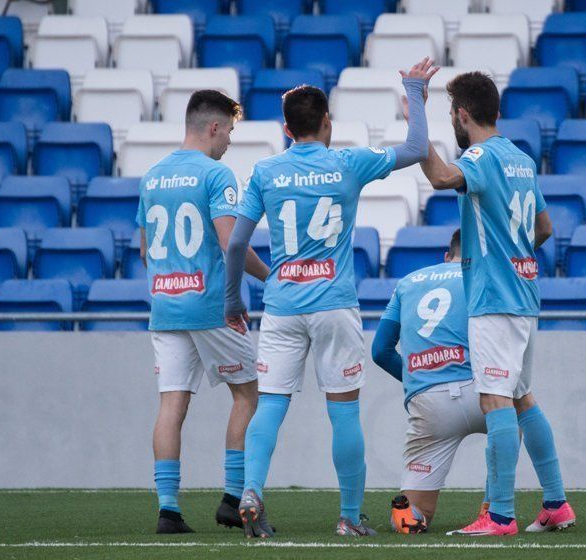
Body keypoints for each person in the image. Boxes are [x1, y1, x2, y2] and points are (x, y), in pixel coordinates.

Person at [223, 57, 439, 538]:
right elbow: (418, 147)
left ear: (285, 129)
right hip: (334, 305)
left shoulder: (265, 171)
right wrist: (414, 91)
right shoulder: (348, 162)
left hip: (281, 307)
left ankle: (252, 490)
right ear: (327, 124)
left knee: (271, 406)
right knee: (343, 410)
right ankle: (348, 516)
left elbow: (236, 244)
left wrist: (233, 301)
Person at [418, 71, 575, 536]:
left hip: (495, 300)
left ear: (462, 115)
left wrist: (416, 121)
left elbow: (442, 176)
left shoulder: (480, 157)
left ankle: (500, 514)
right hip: (525, 296)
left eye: (449, 113)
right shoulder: (521, 159)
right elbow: (544, 228)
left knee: (494, 400)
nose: (451, 120)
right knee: (523, 398)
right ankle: (556, 504)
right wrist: (516, 256)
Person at [136, 90, 270, 534]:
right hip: (211, 305)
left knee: (172, 403)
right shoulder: (216, 174)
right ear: (213, 127)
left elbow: (143, 251)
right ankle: (233, 497)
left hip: (166, 306)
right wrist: (270, 276)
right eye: (229, 131)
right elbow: (232, 242)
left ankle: (168, 510)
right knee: (249, 394)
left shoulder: (152, 177)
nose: (230, 140)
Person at [372, 229, 490, 534]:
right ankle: (495, 507)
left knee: (418, 510)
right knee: (518, 416)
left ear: (446, 255)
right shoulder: (484, 275)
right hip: (482, 393)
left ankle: (408, 514)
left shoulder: (407, 282)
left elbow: (380, 351)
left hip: (430, 404)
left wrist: (419, 378)